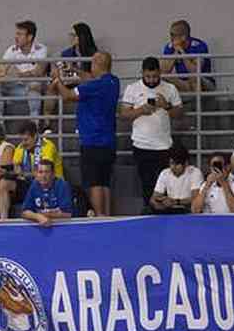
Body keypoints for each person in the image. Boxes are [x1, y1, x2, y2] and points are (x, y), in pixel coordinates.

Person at [51, 52, 121, 216]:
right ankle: (107, 216)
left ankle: (99, 216)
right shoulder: (113, 82)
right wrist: (75, 70)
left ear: (96, 64)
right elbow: (91, 78)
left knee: (95, 182)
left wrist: (57, 80)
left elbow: (68, 95)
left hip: (92, 141)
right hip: (109, 142)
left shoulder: (92, 87)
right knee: (105, 183)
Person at [121, 56, 185, 213]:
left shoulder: (169, 89)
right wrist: (141, 110)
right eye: (148, 76)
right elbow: (124, 114)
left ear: (160, 73)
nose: (151, 80)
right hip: (141, 145)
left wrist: (166, 106)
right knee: (146, 183)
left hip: (164, 145)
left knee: (166, 183)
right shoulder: (132, 88)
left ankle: (165, 211)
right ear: (142, 73)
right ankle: (149, 211)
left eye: (155, 76)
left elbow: (180, 113)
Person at [0, 20, 48, 123]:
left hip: (31, 88)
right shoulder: (12, 50)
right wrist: (4, 74)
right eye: (16, 33)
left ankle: (34, 125)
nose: (16, 37)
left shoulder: (41, 49)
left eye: (20, 34)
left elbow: (38, 71)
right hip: (15, 88)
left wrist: (17, 74)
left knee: (35, 84)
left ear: (29, 37)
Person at [43, 22, 99, 123]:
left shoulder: (94, 54)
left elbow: (94, 77)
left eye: (74, 35)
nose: (71, 38)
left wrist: (74, 69)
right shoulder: (66, 53)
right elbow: (59, 67)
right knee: (51, 88)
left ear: (82, 37)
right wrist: (57, 72)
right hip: (69, 82)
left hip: (85, 84)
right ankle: (47, 123)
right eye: (70, 35)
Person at [12, 120, 64, 206]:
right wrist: (18, 171)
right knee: (5, 184)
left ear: (35, 136)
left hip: (52, 183)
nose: (23, 143)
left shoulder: (47, 146)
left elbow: (45, 171)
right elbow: (16, 166)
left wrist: (25, 174)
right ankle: (3, 218)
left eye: (26, 140)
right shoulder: (20, 147)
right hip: (29, 182)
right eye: (21, 140)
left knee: (40, 179)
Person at [160, 19, 214, 93]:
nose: (171, 38)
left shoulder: (199, 46)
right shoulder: (170, 47)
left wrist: (182, 52)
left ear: (183, 36)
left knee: (194, 78)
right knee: (161, 77)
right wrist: (176, 52)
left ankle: (198, 104)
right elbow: (164, 71)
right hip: (184, 82)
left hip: (203, 81)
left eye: (173, 35)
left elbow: (195, 71)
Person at [151, 144, 203, 215]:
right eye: (171, 163)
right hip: (169, 210)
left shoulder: (195, 172)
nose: (173, 167)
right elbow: (154, 198)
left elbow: (195, 198)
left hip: (188, 210)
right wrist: (160, 205)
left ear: (186, 163)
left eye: (177, 164)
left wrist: (176, 202)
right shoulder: (165, 173)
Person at [20, 159, 74, 227]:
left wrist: (45, 215)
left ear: (53, 174)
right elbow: (24, 212)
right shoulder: (34, 185)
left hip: (62, 226)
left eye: (47, 172)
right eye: (40, 172)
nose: (43, 176)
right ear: (36, 174)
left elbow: (67, 214)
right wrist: (38, 217)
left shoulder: (62, 185)